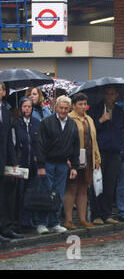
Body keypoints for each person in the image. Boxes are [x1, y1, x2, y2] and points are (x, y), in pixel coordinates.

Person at [35, 96, 79, 234]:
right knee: (45, 193)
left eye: (66, 108)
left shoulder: (72, 124)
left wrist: (74, 167)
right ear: (56, 107)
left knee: (58, 194)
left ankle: (54, 222)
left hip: (62, 165)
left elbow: (75, 146)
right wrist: (41, 165)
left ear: (69, 109)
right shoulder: (46, 122)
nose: (64, 111)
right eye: (61, 108)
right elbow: (40, 144)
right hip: (47, 163)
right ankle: (41, 223)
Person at [87, 85, 124, 225]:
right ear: (104, 95)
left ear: (116, 95)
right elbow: (91, 130)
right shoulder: (95, 109)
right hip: (100, 152)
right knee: (97, 184)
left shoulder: (120, 110)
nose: (110, 96)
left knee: (110, 185)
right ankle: (96, 214)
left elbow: (122, 130)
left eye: (112, 94)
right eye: (107, 93)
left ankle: (107, 213)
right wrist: (101, 121)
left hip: (114, 151)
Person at [63, 93, 101, 230]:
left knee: (84, 188)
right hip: (74, 157)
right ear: (73, 106)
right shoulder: (69, 118)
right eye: (80, 104)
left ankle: (82, 219)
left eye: (85, 104)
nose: (83, 107)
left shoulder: (89, 119)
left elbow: (94, 140)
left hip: (89, 157)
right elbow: (67, 140)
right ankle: (68, 219)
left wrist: (97, 158)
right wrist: (67, 158)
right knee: (72, 187)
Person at [13, 97, 40, 231]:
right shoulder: (16, 123)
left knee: (30, 192)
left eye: (29, 106)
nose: (27, 109)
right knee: (20, 192)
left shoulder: (36, 122)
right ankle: (19, 221)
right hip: (20, 163)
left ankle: (28, 220)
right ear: (20, 108)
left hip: (33, 164)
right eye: (24, 106)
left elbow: (39, 144)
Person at [0, 82, 21, 243]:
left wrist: (14, 161)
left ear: (4, 92)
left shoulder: (6, 112)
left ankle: (6, 228)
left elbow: (9, 141)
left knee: (6, 197)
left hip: (4, 161)